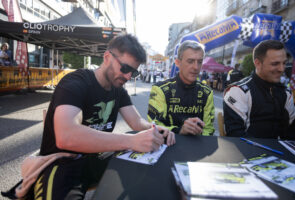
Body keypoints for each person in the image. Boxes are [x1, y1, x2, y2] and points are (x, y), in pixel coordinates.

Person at [16, 34, 175, 200]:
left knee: (150, 174)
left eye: (133, 73)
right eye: (126, 68)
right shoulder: (75, 83)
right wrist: (131, 141)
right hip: (63, 163)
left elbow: (136, 122)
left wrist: (156, 128)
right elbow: (66, 136)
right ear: (107, 57)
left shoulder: (118, 89)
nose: (128, 77)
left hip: (96, 158)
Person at [223, 40, 295, 139]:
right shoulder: (238, 91)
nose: (282, 69)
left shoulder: (285, 93)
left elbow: (293, 131)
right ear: (258, 63)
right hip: (250, 152)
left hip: (283, 152)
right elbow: (236, 137)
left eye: (284, 63)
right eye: (275, 64)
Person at [147, 40, 215, 135]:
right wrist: (179, 131)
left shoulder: (207, 92)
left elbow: (208, 129)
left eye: (199, 62)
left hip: (198, 146)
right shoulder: (160, 89)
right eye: (190, 61)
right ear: (177, 62)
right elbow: (153, 125)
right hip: (168, 146)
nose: (196, 67)